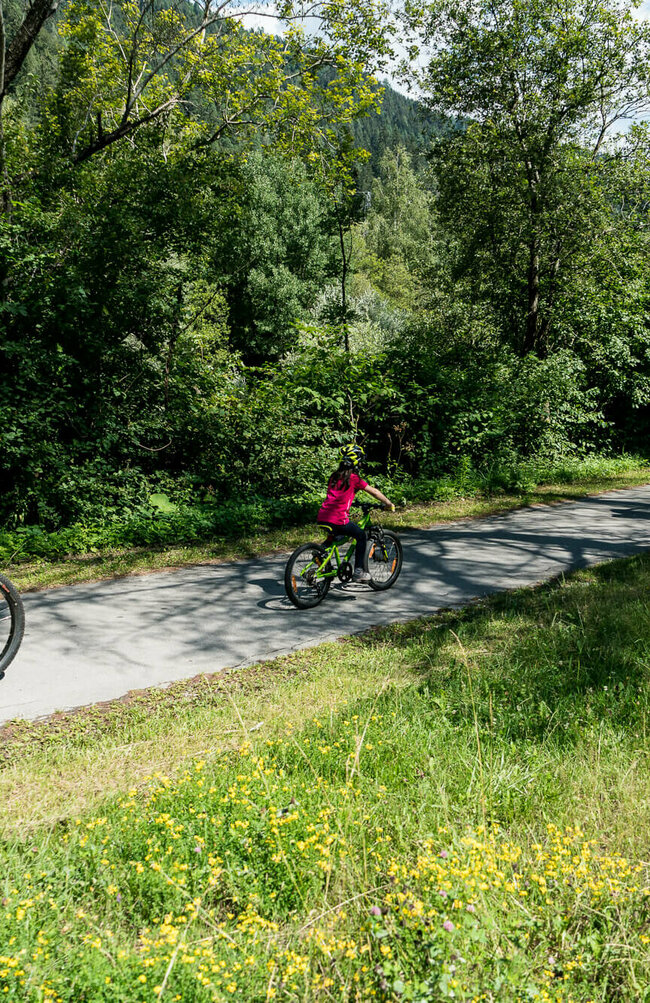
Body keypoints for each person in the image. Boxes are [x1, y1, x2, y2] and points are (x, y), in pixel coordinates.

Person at [317, 444, 395, 582]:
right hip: (338, 519)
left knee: (336, 536)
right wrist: (388, 504)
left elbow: (338, 495)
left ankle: (320, 552)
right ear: (356, 462)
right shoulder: (354, 479)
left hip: (323, 516)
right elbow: (375, 492)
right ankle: (359, 571)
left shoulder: (334, 477)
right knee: (360, 535)